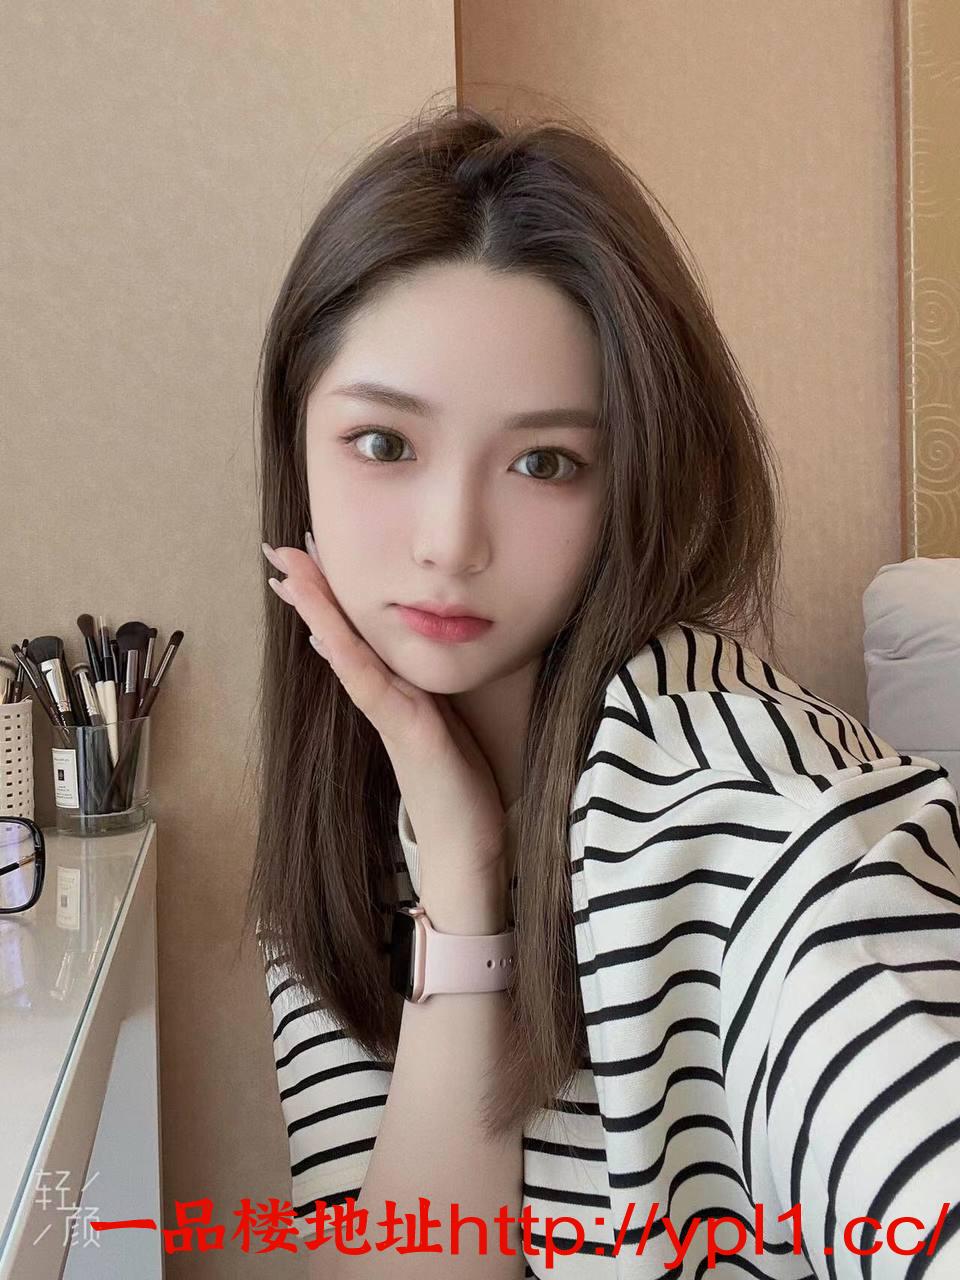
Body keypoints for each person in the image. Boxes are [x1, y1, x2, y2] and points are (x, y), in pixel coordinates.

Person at [243, 102, 960, 1279]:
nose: (450, 540)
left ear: (635, 484)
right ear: (298, 447)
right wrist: (464, 879)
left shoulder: (761, 826)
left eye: (545, 462)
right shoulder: (350, 815)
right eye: (384, 444)